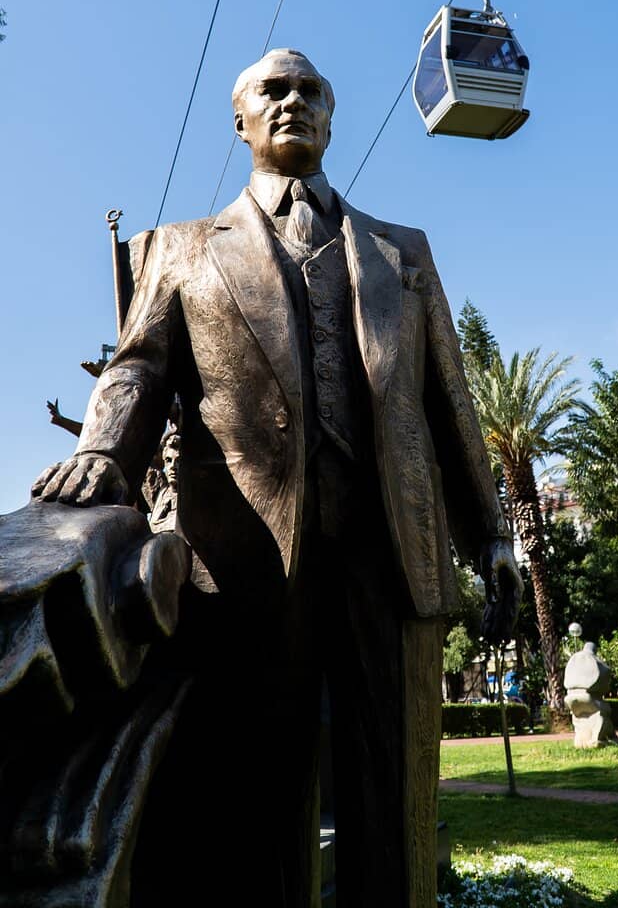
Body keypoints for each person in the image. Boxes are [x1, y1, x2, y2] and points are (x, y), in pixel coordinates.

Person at [33, 48, 522, 908]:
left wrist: (492, 533)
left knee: (394, 795)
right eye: (273, 90)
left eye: (310, 90)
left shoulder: (403, 253)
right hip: (242, 563)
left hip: (391, 556)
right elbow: (139, 368)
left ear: (332, 115)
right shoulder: (181, 251)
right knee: (256, 799)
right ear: (242, 121)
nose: (293, 101)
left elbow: (450, 399)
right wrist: (106, 453)